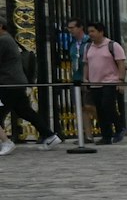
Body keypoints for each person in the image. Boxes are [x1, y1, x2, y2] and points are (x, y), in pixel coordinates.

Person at [0, 18, 60, 152]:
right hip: (16, 82)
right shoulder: (8, 39)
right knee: (25, 111)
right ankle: (49, 136)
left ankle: (6, 142)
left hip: (8, 83)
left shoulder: (3, 40)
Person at [83, 22, 127, 144]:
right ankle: (106, 136)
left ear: (101, 32)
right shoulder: (88, 47)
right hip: (94, 82)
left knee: (107, 105)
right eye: (89, 31)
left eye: (93, 31)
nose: (90, 34)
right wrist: (85, 78)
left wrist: (121, 80)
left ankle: (119, 127)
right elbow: (86, 64)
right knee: (100, 110)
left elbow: (121, 64)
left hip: (110, 81)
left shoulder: (113, 46)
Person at [63, 19, 94, 140]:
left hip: (88, 77)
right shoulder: (72, 43)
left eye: (72, 27)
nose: (70, 30)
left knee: (89, 106)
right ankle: (87, 135)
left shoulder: (89, 41)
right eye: (69, 28)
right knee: (80, 108)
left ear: (80, 28)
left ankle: (108, 125)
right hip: (76, 78)